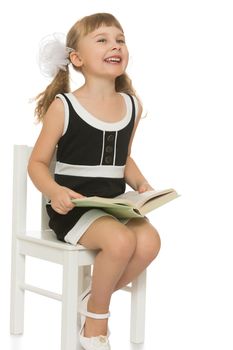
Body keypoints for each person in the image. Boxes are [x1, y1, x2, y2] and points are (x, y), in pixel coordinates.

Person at [28, 12, 161, 350]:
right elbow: (38, 163)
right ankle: (95, 322)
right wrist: (54, 190)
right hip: (73, 208)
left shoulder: (132, 105)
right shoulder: (65, 106)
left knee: (149, 242)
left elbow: (123, 159)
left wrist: (142, 185)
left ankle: (92, 294)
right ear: (77, 58)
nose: (114, 45)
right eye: (102, 40)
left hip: (113, 208)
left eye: (120, 39)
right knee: (119, 242)